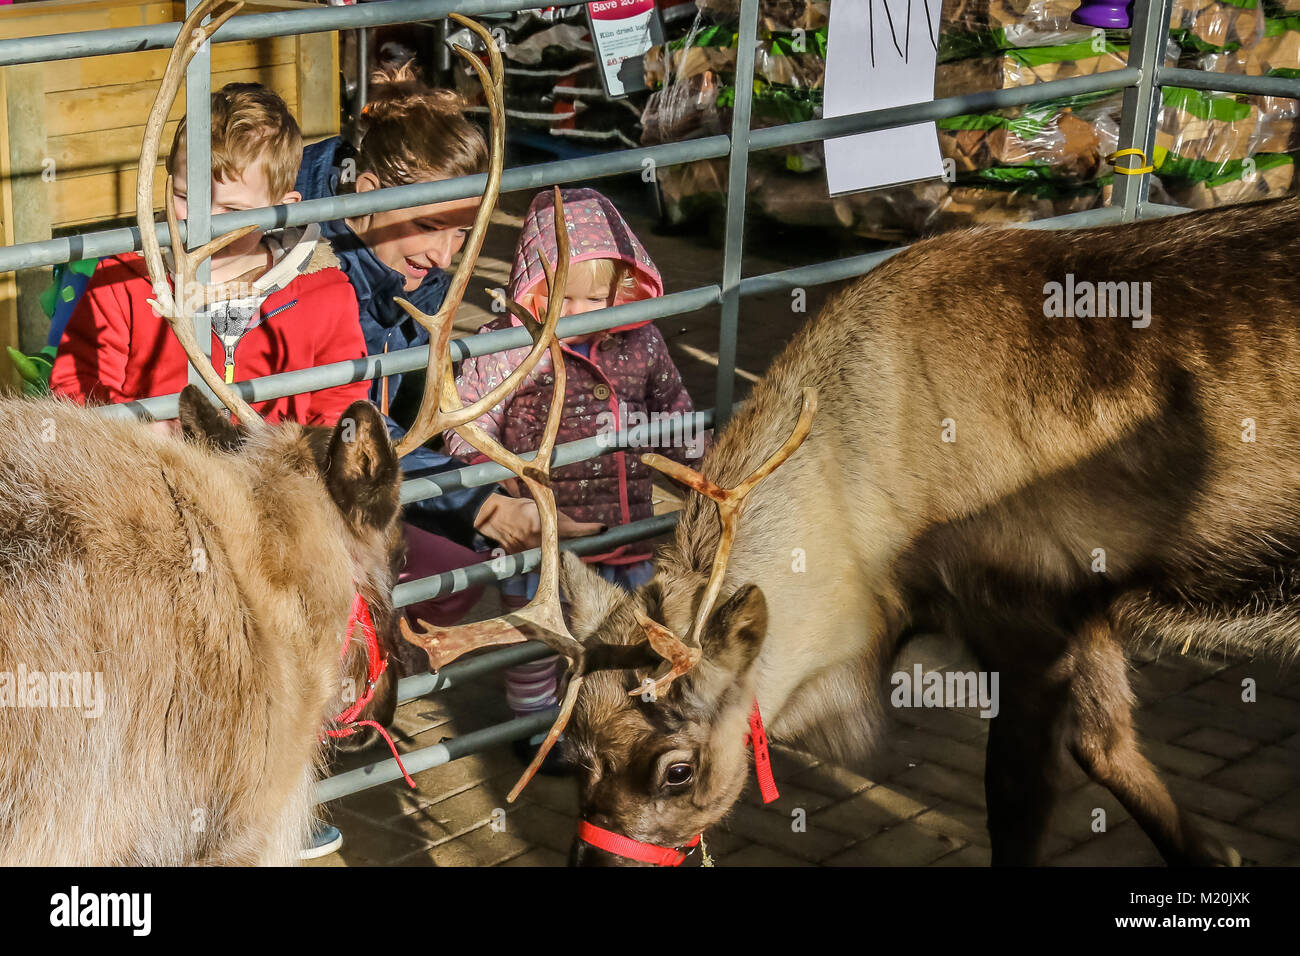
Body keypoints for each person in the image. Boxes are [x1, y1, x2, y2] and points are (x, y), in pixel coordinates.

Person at [294, 66, 603, 574]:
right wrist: (480, 505)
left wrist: (490, 468)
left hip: (362, 473)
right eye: (429, 226)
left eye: (463, 232)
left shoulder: (407, 269)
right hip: (303, 480)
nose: (445, 254)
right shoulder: (311, 277)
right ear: (365, 194)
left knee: (451, 578)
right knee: (441, 577)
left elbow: (401, 409)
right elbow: (345, 420)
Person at [448, 187, 699, 766]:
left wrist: (699, 461)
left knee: (624, 635)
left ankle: (617, 721)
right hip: (542, 536)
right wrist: (500, 481)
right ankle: (538, 727)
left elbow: (674, 410)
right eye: (572, 301)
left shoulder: (640, 341)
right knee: (538, 640)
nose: (592, 315)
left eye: (605, 298)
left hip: (624, 530)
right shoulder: (509, 350)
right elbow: (468, 425)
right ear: (535, 291)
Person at [51, 83, 369, 424]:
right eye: (185, 197)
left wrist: (305, 462)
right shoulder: (125, 278)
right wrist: (143, 431)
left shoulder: (324, 292)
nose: (206, 226)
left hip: (267, 472)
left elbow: (340, 402)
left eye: (233, 209)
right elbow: (77, 384)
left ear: (282, 209)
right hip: (155, 468)